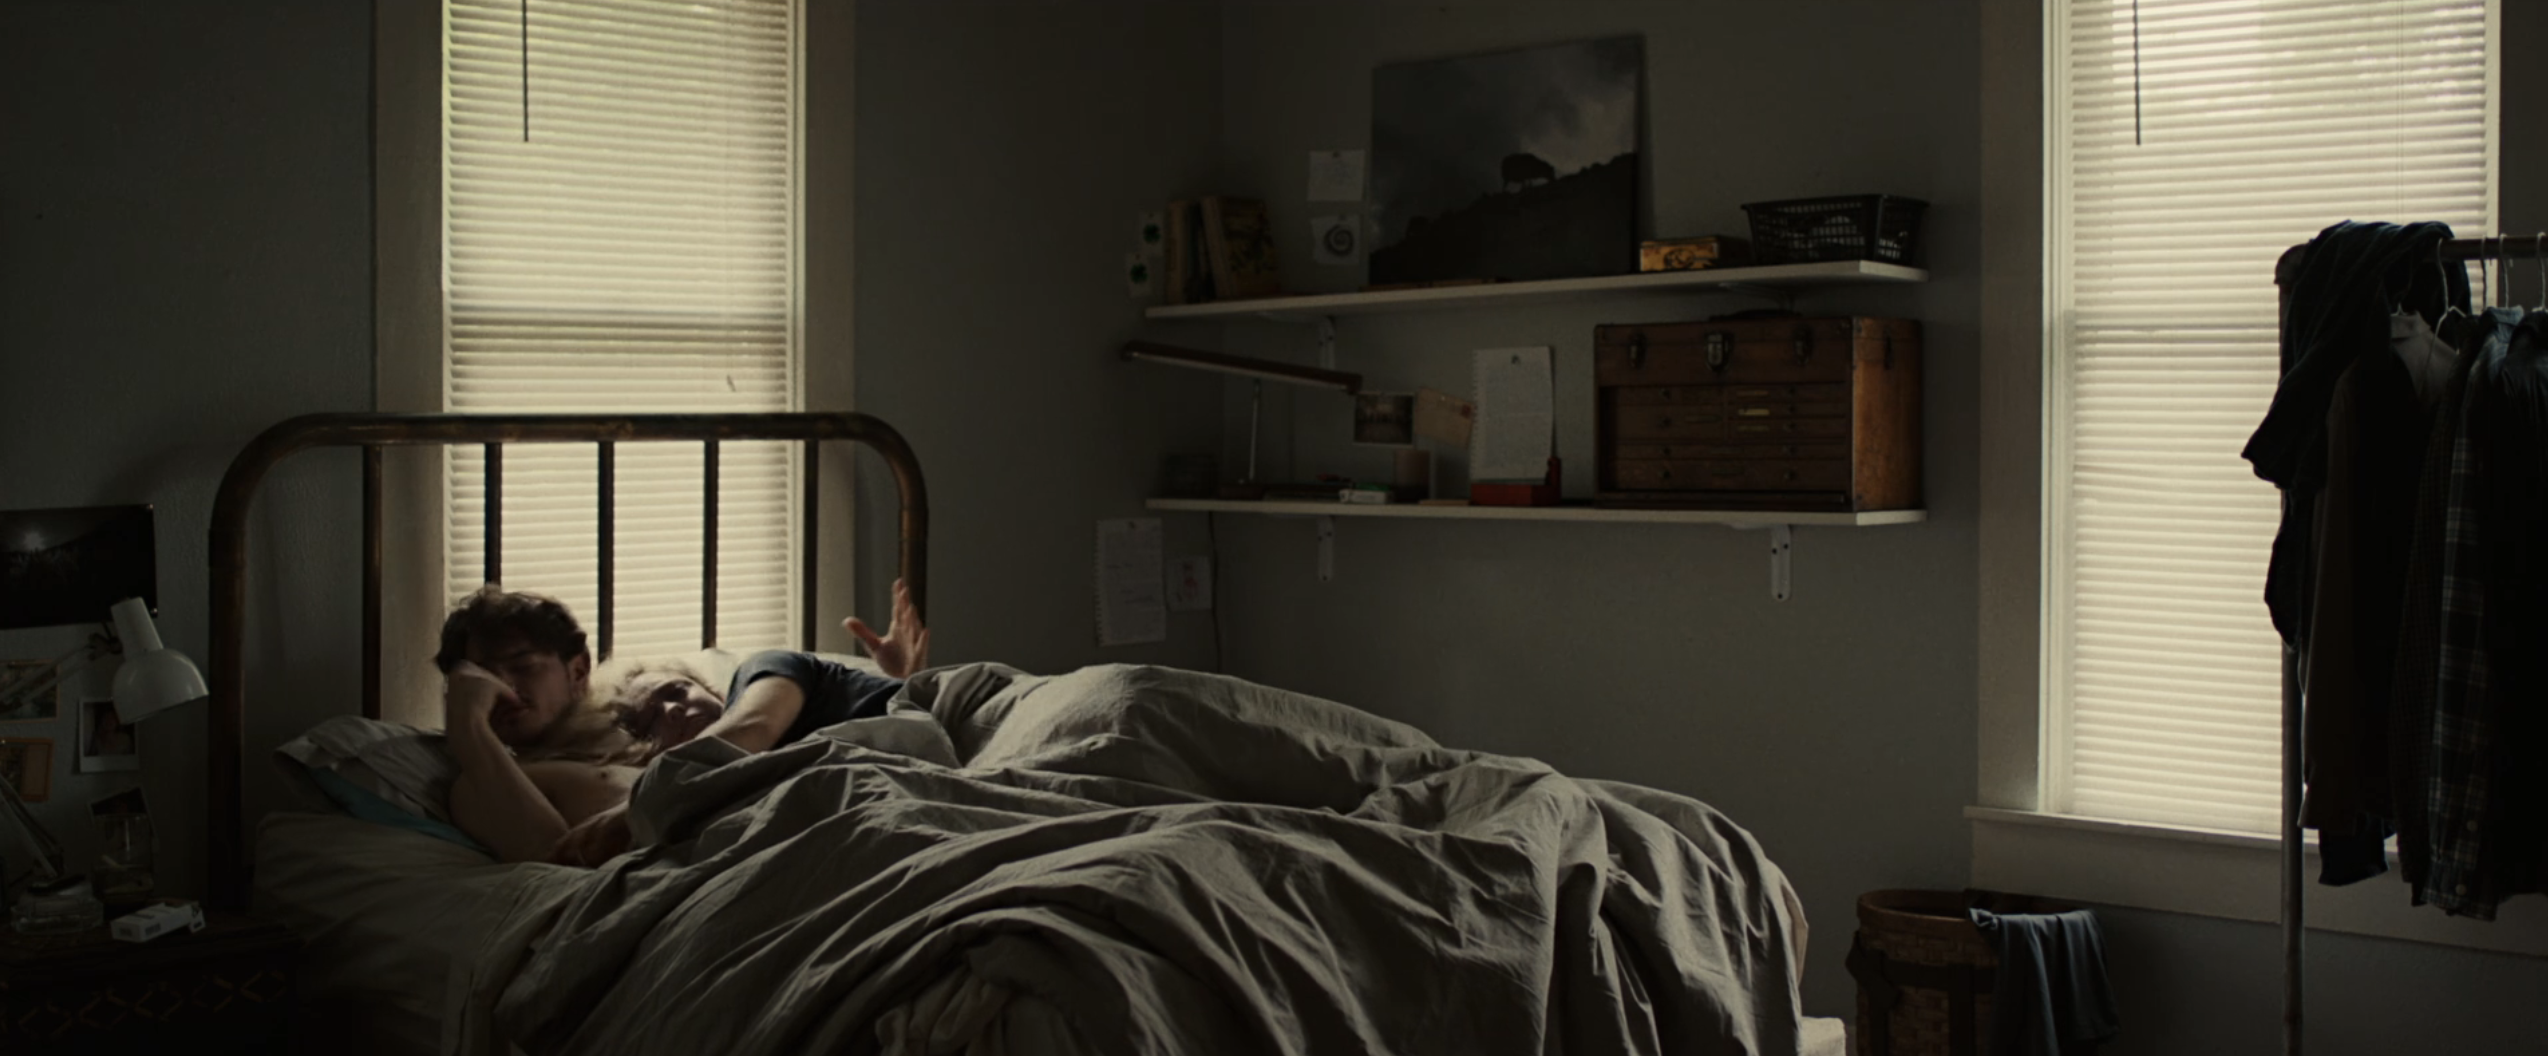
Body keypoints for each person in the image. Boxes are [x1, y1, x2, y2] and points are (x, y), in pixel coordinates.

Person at [437, 579, 930, 866]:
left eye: (521, 665)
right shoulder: (486, 778)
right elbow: (555, 860)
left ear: (578, 668)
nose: (502, 688)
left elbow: (750, 732)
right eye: (481, 678)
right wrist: (470, 728)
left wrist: (903, 692)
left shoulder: (755, 681)